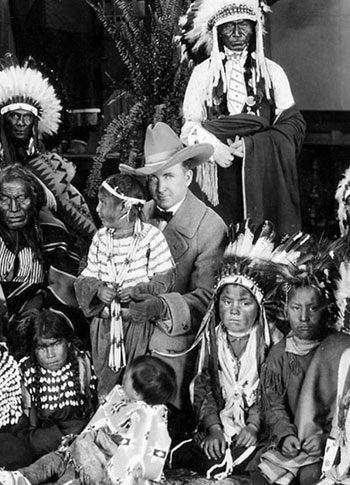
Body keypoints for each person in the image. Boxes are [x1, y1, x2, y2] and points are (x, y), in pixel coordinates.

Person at [169, 220, 307, 479]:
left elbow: (273, 388)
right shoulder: (213, 338)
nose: (234, 310)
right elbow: (203, 385)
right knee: (198, 451)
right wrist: (213, 427)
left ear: (259, 307)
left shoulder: (270, 339)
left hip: (261, 424)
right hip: (221, 421)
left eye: (244, 302)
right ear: (217, 303)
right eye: (227, 301)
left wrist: (254, 425)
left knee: (264, 458)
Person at [119, 122, 227, 412]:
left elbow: (207, 300)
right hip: (134, 324)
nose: (160, 187)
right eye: (153, 178)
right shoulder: (141, 214)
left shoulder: (210, 228)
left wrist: (161, 307)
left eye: (169, 176)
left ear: (188, 176)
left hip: (176, 332)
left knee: (155, 402)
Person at [179, 0, 306, 234]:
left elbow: (293, 125)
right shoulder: (202, 74)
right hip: (217, 171)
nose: (237, 33)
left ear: (254, 28)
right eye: (229, 27)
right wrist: (213, 147)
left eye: (244, 25)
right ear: (216, 31)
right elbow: (189, 127)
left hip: (262, 171)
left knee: (261, 240)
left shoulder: (272, 72)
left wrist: (252, 146)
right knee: (217, 237)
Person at [74, 173, 175, 397]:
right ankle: (107, 421)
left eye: (103, 203)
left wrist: (141, 291)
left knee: (138, 382)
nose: (97, 209)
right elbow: (86, 276)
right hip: (106, 326)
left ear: (125, 208)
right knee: (106, 383)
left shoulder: (152, 237)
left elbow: (164, 279)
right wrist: (98, 289)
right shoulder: (101, 238)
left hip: (138, 326)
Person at [7, 356, 177, 485]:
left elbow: (136, 456)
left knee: (70, 479)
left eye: (128, 377)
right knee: (51, 460)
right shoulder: (122, 395)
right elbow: (100, 419)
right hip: (75, 451)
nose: (124, 376)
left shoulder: (146, 418)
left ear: (138, 394)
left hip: (95, 466)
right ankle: (21, 476)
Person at [252, 244, 339, 485]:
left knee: (312, 477)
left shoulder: (337, 350)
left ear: (327, 310)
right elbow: (273, 403)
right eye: (296, 308)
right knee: (263, 476)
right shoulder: (279, 355)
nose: (303, 318)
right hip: (293, 440)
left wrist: (328, 438)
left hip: (328, 441)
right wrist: (284, 434)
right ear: (284, 310)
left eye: (313, 308)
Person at [0, 53, 96, 253]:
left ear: (36, 124)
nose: (20, 122)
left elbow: (77, 214)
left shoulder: (51, 165)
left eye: (26, 118)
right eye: (14, 116)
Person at [0, 309, 97, 470]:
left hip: (80, 430)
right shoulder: (26, 370)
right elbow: (26, 427)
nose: (50, 354)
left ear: (68, 342)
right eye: (41, 348)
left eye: (56, 344)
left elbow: (92, 407)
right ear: (33, 349)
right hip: (42, 439)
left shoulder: (83, 363)